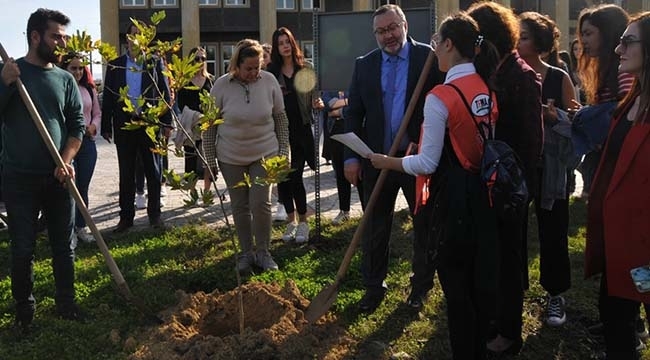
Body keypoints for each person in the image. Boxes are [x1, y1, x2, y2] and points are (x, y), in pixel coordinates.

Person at [369, 12, 500, 358]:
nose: (433, 50)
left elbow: (427, 163)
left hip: (454, 199)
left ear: (449, 44)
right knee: (476, 282)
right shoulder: (485, 86)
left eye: (436, 42)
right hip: (485, 193)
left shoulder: (440, 95)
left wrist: (388, 162)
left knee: (456, 288)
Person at [344, 4, 444, 313]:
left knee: (424, 225)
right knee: (375, 225)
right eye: (381, 31)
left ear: (404, 25)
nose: (388, 35)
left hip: (416, 159)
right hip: (376, 159)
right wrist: (351, 157)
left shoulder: (428, 59)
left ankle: (420, 287)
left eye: (392, 28)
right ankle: (374, 287)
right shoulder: (365, 65)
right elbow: (353, 113)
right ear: (374, 34)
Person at [0, 8, 87, 331]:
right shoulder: (12, 73)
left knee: (64, 246)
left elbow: (76, 126)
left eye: (64, 36)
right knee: (22, 248)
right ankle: (25, 311)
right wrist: (4, 84)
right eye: (56, 36)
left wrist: (67, 159)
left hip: (58, 177)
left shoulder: (64, 79)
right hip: (19, 177)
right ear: (35, 36)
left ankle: (67, 303)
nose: (61, 42)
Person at [467, 2, 543, 355]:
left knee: (510, 259)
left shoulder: (522, 76)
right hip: (489, 181)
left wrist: (516, 188)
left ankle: (510, 332)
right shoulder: (489, 71)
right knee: (491, 255)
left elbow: (532, 142)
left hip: (510, 185)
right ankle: (493, 319)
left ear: (488, 38)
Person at [585, 12, 650, 359]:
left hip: (644, 245)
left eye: (628, 42)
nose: (617, 48)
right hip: (620, 241)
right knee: (616, 319)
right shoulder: (633, 99)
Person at [202, 39, 289, 274]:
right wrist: (209, 161)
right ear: (236, 65)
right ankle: (245, 253)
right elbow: (209, 127)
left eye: (257, 67)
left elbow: (280, 118)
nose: (253, 73)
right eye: (248, 68)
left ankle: (263, 252)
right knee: (240, 206)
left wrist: (283, 152)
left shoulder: (269, 81)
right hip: (231, 157)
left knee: (261, 204)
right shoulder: (220, 86)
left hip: (265, 154)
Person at [517, 10, 576, 327]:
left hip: (551, 170)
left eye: (523, 37)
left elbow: (575, 129)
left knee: (553, 233)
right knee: (513, 232)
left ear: (539, 43)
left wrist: (554, 118)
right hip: (517, 168)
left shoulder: (558, 76)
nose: (516, 41)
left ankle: (555, 295)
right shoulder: (509, 75)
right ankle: (515, 289)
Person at [101, 20, 172, 233]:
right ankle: (126, 217)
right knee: (127, 171)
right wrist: (106, 126)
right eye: (132, 34)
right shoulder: (115, 65)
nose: (135, 39)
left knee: (153, 169)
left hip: (149, 124)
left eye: (140, 35)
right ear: (127, 38)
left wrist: (166, 123)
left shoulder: (154, 62)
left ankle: (154, 215)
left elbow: (164, 94)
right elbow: (108, 98)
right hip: (125, 126)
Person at [267, 27, 323, 244]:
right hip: (279, 131)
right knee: (283, 178)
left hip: (301, 129)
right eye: (280, 43)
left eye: (287, 42)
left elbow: (314, 97)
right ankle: (291, 222)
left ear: (293, 43)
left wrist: (317, 103)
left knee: (297, 176)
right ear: (276, 47)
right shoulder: (271, 73)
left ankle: (304, 223)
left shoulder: (305, 68)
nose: (285, 46)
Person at [575, 4, 631, 198]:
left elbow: (626, 113)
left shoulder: (623, 71)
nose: (583, 41)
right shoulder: (605, 69)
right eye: (582, 34)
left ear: (607, 33)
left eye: (589, 33)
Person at [61, 53, 101, 248]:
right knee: (70, 188)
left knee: (82, 187)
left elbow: (97, 112)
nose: (77, 72)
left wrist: (93, 126)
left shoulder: (88, 89)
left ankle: (81, 226)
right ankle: (68, 231)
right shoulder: (62, 88)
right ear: (65, 69)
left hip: (87, 143)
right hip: (68, 144)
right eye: (73, 68)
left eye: (80, 68)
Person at [176, 47, 214, 196]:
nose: (200, 61)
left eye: (203, 58)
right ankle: (192, 192)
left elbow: (214, 101)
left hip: (206, 126)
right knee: (190, 159)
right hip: (190, 126)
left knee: (207, 160)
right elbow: (181, 105)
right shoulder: (185, 81)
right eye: (197, 58)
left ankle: (206, 191)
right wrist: (194, 116)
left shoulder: (210, 80)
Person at [321, 90, 361, 225]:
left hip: (356, 129)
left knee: (360, 171)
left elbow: (360, 102)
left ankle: (367, 212)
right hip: (335, 130)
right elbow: (328, 104)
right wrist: (349, 101)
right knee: (340, 172)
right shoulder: (330, 84)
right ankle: (344, 211)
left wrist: (339, 109)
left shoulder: (353, 80)